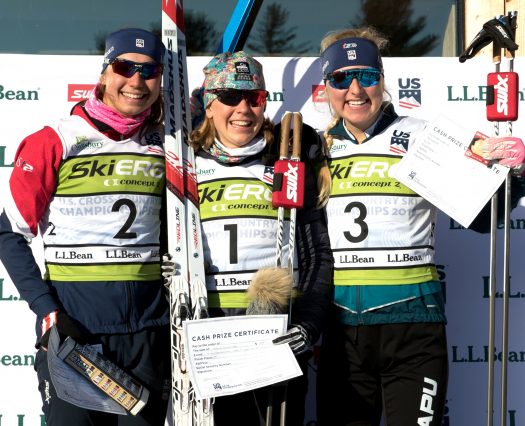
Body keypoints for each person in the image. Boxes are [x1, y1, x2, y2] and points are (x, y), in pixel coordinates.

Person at [314, 27, 525, 426]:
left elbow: (483, 218)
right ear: (327, 87)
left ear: (383, 81)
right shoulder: (317, 148)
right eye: (342, 78)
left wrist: (511, 179)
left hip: (413, 323)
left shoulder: (422, 136)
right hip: (342, 330)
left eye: (368, 76)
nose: (355, 90)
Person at [0, 28, 170, 426]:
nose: (136, 82)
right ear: (104, 73)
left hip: (147, 331)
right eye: (124, 68)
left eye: (149, 72)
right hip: (77, 328)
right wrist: (47, 311)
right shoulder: (55, 139)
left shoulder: (167, 143)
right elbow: (9, 234)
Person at [182, 50, 333, 426]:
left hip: (272, 331)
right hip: (208, 334)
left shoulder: (286, 161)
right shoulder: (186, 165)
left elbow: (316, 255)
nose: (244, 110)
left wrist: (308, 324)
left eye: (255, 98)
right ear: (210, 104)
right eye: (231, 97)